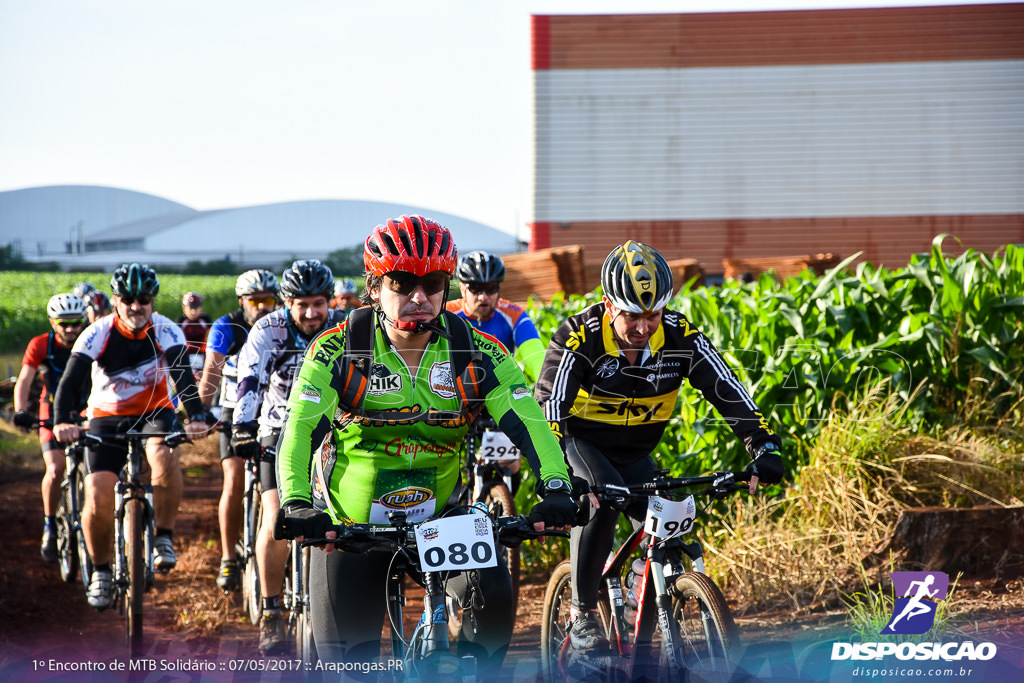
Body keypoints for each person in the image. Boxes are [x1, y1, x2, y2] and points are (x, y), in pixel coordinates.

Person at [274, 215, 577, 673]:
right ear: (374, 288)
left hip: (443, 518)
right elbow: (298, 428)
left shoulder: (475, 352)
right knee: (347, 670)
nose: (419, 297)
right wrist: (297, 502)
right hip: (352, 528)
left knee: (494, 593)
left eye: (433, 282)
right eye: (402, 282)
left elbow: (530, 421)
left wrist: (556, 487)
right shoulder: (339, 350)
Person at [534, 240, 785, 653]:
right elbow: (551, 406)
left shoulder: (681, 336)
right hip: (583, 445)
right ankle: (582, 612)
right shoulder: (579, 336)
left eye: (653, 315)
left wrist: (763, 446)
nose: (643, 327)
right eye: (632, 315)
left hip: (635, 453)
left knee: (668, 519)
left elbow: (727, 389)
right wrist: (558, 476)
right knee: (602, 499)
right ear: (608, 304)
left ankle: (646, 624)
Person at [52, 264, 212, 609]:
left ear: (152, 301)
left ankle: (163, 538)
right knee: (96, 492)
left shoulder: (166, 330)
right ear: (115, 301)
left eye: (143, 300)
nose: (136, 307)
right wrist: (61, 421)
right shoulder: (98, 332)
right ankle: (101, 571)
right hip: (106, 416)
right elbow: (68, 383)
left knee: (165, 459)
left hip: (155, 412)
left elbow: (184, 380)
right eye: (128, 300)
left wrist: (197, 416)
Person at [230, 259, 345, 655]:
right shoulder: (268, 330)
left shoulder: (345, 329)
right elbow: (250, 379)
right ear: (286, 303)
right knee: (277, 514)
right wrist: (242, 426)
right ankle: (272, 609)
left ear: (330, 301)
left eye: (318, 303)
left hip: (331, 429)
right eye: (301, 304)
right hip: (277, 428)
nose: (311, 313)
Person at [197, 269, 279, 594]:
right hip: (236, 408)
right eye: (255, 301)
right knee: (234, 480)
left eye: (268, 300)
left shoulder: (284, 326)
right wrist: (199, 411)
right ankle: (229, 557)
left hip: (276, 410)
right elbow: (210, 374)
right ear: (242, 301)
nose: (262, 307)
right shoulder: (225, 326)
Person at [12, 293, 90, 562]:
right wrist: (22, 410)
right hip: (52, 411)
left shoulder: (93, 340)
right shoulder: (41, 345)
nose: (70, 329)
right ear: (52, 322)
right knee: (56, 469)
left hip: (86, 410)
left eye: (76, 323)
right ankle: (50, 525)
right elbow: (24, 379)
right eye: (63, 323)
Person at [447, 251, 545, 384]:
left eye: (491, 288)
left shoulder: (514, 315)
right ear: (462, 289)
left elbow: (537, 359)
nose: (483, 297)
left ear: (499, 289)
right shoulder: (447, 314)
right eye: (475, 288)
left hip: (500, 392)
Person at [177, 292, 213, 356]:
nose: (193, 312)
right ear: (184, 309)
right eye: (190, 308)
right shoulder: (181, 321)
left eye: (195, 308)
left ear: (201, 309)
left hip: (203, 353)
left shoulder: (205, 320)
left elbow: (213, 336)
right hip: (185, 353)